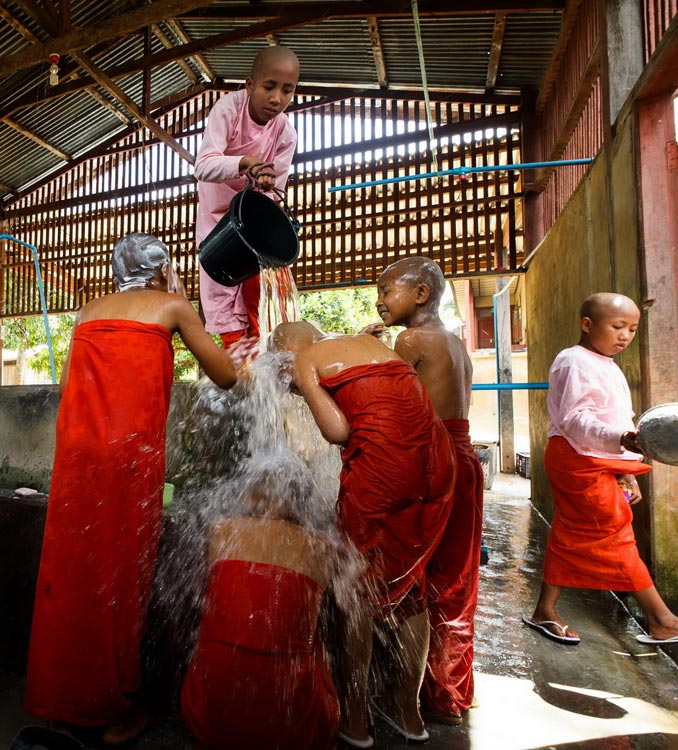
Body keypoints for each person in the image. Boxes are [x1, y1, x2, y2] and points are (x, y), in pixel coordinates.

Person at [25, 234, 237, 745]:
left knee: (72, 570)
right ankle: (109, 709)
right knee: (119, 575)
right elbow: (226, 375)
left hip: (76, 455)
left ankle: (59, 702)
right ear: (164, 270)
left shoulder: (88, 311)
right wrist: (181, 297)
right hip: (128, 458)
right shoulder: (171, 306)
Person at [274, 321, 453, 745]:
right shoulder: (370, 344)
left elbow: (338, 431)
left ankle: (355, 721)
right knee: (411, 587)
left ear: (286, 353)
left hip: (384, 473)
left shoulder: (304, 360)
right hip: (438, 464)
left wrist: (303, 384)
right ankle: (409, 716)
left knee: (356, 589)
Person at [525, 293, 678, 649]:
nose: (625, 336)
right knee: (613, 531)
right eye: (618, 327)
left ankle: (545, 611)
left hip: (598, 458)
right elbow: (575, 420)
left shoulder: (605, 362)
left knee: (572, 530)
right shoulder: (574, 360)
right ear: (587, 325)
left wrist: (624, 471)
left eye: (633, 329)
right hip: (578, 458)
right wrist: (623, 439)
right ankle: (662, 621)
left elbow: (617, 415)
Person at [366, 257, 482, 725]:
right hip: (466, 457)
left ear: (420, 295)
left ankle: (403, 692)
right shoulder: (454, 341)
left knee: (411, 571)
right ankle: (449, 693)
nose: (379, 299)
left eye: (387, 289)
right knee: (457, 578)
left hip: (433, 459)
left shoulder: (409, 339)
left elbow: (387, 399)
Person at [180, 462, 341, 749]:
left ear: (251, 496)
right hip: (292, 729)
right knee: (313, 633)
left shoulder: (221, 531)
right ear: (301, 505)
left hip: (208, 718)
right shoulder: (322, 548)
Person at [195, 45, 300, 349]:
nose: (277, 98)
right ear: (250, 85)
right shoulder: (228, 110)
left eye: (287, 90)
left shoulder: (285, 134)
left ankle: (259, 360)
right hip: (218, 219)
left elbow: (272, 196)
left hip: (252, 222)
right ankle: (237, 358)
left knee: (257, 291)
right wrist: (244, 163)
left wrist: (266, 183)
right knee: (222, 286)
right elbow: (203, 166)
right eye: (269, 86)